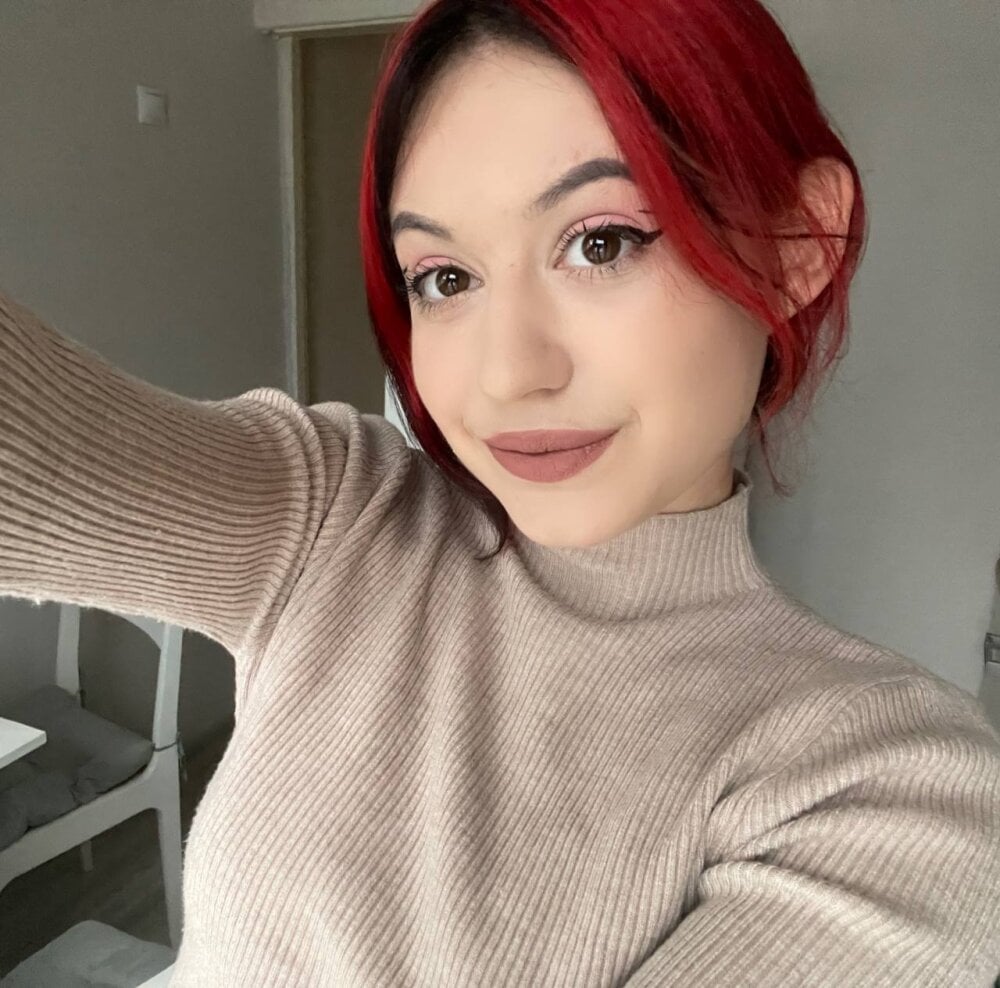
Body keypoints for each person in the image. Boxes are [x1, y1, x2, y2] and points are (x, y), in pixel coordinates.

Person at [1, 0, 998, 985]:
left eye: (601, 242)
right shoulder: (344, 517)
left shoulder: (890, 783)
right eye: (444, 277)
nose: (508, 375)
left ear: (797, 247)